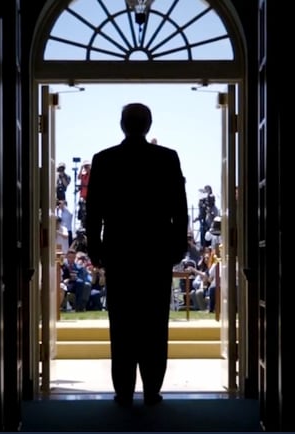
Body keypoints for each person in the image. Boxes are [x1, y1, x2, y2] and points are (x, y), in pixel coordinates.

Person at [85, 102, 188, 407]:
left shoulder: (105, 159)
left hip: (120, 249)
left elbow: (94, 212)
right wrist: (177, 245)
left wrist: (95, 246)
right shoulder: (167, 158)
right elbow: (179, 208)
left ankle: (125, 390)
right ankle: (152, 389)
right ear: (148, 125)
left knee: (122, 322)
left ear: (122, 125)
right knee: (155, 322)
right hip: (156, 250)